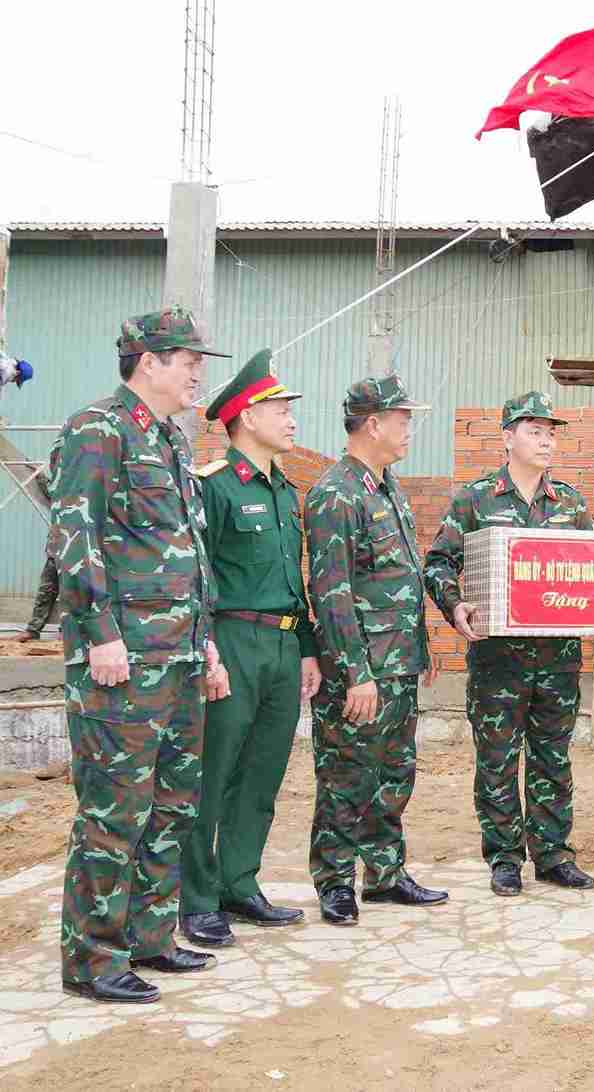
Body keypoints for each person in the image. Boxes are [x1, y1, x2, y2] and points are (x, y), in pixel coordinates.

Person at [55, 306, 230, 1004]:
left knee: (171, 807)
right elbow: (76, 535)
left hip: (178, 659)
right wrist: (100, 633)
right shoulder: (97, 429)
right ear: (149, 361)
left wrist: (205, 639)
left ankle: (151, 937)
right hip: (122, 661)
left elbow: (187, 550)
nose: (195, 374)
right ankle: (93, 959)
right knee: (114, 811)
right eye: (187, 361)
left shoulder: (171, 442)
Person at [425, 392, 594, 896]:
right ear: (507, 437)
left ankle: (552, 854)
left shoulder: (570, 502)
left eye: (551, 432)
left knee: (553, 757)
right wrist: (454, 607)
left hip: (559, 657)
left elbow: (590, 567)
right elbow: (439, 562)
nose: (546, 439)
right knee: (498, 759)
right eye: (534, 430)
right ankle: (504, 857)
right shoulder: (475, 500)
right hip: (498, 658)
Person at [181, 351, 321, 949]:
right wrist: (205, 647)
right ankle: (197, 897)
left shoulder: (288, 493)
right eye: (279, 408)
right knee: (214, 773)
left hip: (285, 645)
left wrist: (309, 648)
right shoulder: (214, 487)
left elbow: (296, 576)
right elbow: (194, 576)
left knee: (262, 772)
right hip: (232, 639)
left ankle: (240, 881)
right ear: (244, 417)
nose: (290, 419)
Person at [305, 375, 443, 925]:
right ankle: (335, 880)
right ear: (373, 424)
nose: (409, 429)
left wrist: (423, 643)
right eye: (403, 420)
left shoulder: (387, 487)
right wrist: (357, 673)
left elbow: (401, 577)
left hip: (399, 662)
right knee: (346, 775)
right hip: (359, 671)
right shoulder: (335, 494)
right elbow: (332, 594)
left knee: (394, 772)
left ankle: (384, 874)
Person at [20, 439, 62, 642]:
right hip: (55, 549)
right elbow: (44, 483)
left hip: (78, 552)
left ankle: (67, 632)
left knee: (73, 594)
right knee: (46, 590)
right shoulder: (59, 490)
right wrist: (33, 468)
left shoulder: (85, 489)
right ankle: (33, 629)